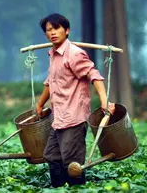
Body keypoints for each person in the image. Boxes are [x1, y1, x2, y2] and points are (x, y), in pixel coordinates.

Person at [36, 13, 115, 188]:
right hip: (58, 119)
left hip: (73, 118)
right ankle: (58, 189)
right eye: (48, 30)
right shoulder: (53, 54)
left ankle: (77, 189)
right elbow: (51, 81)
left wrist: (104, 100)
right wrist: (40, 103)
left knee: (72, 164)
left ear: (67, 30)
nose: (53, 33)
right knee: (52, 157)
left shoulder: (74, 54)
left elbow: (93, 75)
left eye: (56, 28)